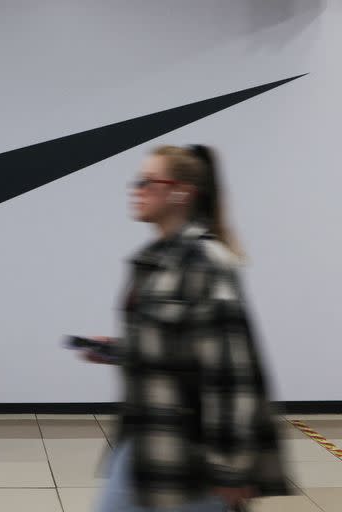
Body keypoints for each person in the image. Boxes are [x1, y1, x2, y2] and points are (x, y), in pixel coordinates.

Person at [82, 145, 293, 511]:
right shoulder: (153, 259)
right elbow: (175, 344)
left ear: (181, 192)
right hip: (144, 440)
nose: (137, 189)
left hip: (190, 457)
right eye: (137, 181)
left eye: (148, 182)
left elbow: (230, 372)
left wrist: (230, 468)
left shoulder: (206, 262)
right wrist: (119, 349)